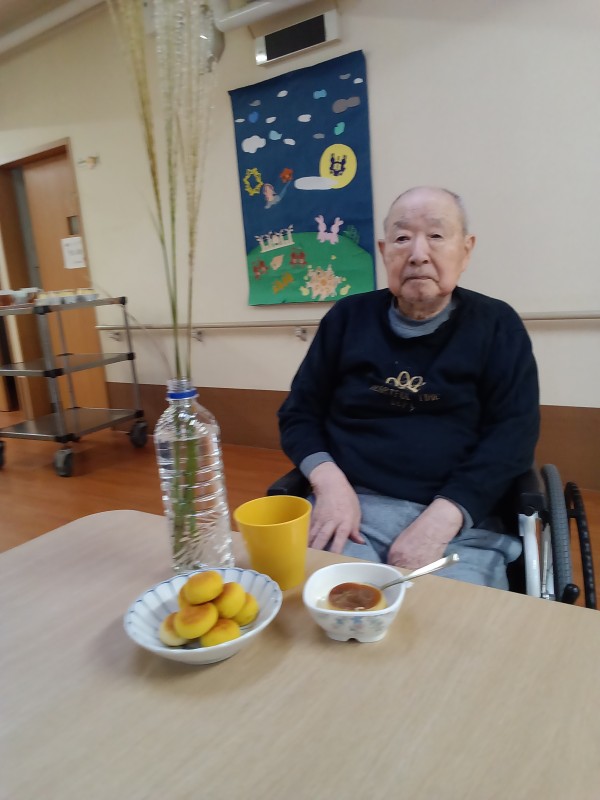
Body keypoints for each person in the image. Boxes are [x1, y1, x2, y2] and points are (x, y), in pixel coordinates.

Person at [278, 186, 540, 589]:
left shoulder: (497, 325)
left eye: (436, 235)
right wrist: (329, 484)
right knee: (325, 607)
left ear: (466, 250)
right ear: (384, 252)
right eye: (402, 238)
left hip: (461, 521)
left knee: (452, 621)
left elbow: (513, 436)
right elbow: (299, 413)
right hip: (350, 509)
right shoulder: (347, 319)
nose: (418, 253)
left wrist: (443, 519)